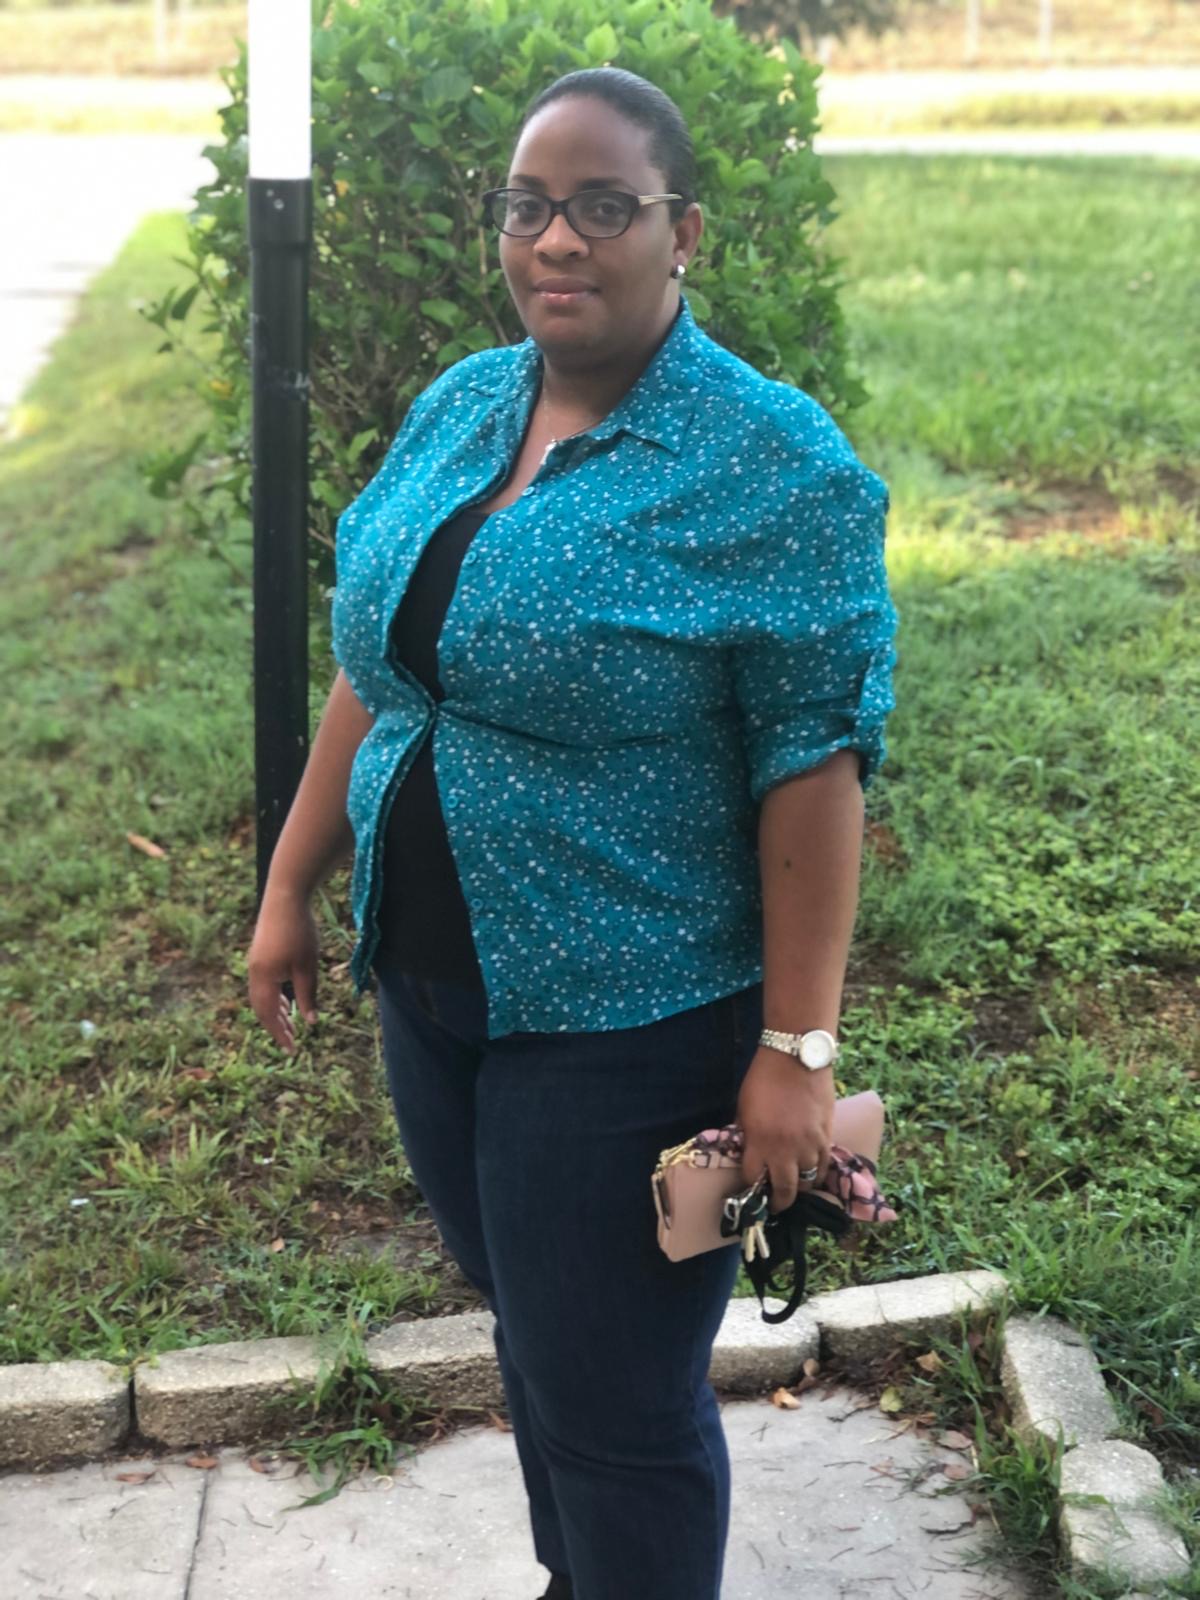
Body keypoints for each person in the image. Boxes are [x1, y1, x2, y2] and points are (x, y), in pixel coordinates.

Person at [247, 65, 898, 1600]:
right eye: (530, 206)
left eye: (605, 207)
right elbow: (381, 671)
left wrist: (796, 1052)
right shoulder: (465, 406)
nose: (557, 240)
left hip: (625, 1023)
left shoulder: (770, 465)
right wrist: (291, 883)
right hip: (435, 995)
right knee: (536, 1335)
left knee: (616, 1406)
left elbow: (813, 771)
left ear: (685, 233)